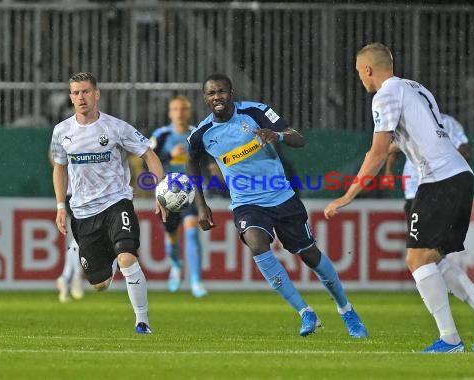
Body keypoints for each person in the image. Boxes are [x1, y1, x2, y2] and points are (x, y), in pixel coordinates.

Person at [324, 43, 474, 352]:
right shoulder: (415, 88)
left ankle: (450, 339)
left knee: (416, 258)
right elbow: (411, 138)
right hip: (457, 175)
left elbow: (378, 151)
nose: (360, 79)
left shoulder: (385, 95)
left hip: (439, 178)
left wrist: (347, 195)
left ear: (368, 70)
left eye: (359, 73)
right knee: (433, 257)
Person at [187, 73, 367, 338]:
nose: (217, 98)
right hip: (246, 203)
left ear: (231, 92)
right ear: (205, 98)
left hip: (282, 197)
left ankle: (346, 309)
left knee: (310, 255)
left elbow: (298, 138)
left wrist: (278, 136)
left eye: (222, 92)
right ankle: (305, 312)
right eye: (212, 93)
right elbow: (191, 165)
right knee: (258, 245)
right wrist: (201, 205)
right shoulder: (202, 133)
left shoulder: (257, 112)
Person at [50, 72, 167, 334]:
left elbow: (149, 155)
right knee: (100, 284)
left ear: (97, 94)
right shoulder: (61, 132)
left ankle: (142, 322)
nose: (81, 97)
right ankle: (110, 256)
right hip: (82, 211)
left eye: (86, 92)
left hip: (117, 202)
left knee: (127, 257)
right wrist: (60, 206)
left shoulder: (116, 127)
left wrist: (159, 190)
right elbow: (59, 168)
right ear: (71, 97)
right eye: (76, 93)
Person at [150, 95, 207, 297]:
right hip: (167, 196)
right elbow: (147, 160)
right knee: (172, 236)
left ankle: (196, 281)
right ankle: (175, 265)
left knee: (192, 231)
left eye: (183, 109)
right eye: (175, 109)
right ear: (169, 113)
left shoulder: (196, 134)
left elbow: (207, 158)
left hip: (190, 192)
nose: (179, 113)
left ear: (189, 112)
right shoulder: (161, 135)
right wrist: (169, 156)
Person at [385, 113, 473, 217]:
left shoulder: (446, 122)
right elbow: (395, 147)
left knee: (435, 227)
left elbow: (466, 152)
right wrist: (388, 171)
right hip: (414, 186)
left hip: (438, 187)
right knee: (416, 229)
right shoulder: (410, 123)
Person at [48, 151, 85, 303]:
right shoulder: (64, 133)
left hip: (79, 193)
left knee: (79, 237)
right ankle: (73, 276)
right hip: (73, 194)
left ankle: (66, 277)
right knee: (82, 236)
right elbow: (54, 160)